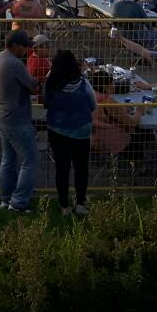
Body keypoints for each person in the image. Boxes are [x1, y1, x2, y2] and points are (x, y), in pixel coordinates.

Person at [42, 49, 97, 215]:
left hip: (57, 129)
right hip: (81, 130)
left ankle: (64, 206)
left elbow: (46, 102)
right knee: (81, 168)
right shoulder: (83, 83)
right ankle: (80, 203)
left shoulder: (51, 83)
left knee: (62, 168)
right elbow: (93, 104)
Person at [0, 29, 39, 212]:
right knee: (31, 159)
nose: (27, 50)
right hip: (16, 119)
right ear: (15, 46)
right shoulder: (15, 63)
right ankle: (19, 202)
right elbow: (32, 86)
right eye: (25, 46)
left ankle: (6, 198)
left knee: (8, 158)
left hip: (2, 115)